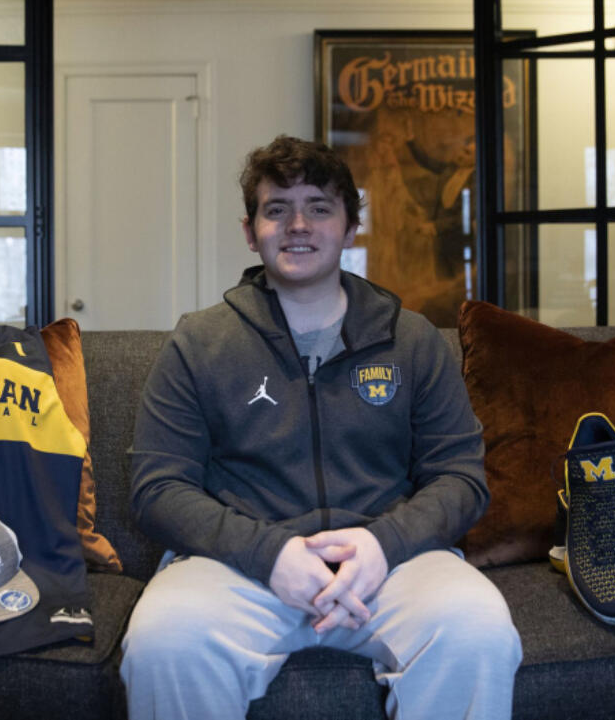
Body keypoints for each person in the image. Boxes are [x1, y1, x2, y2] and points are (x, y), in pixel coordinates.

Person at [121, 135, 522, 719]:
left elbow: (461, 479)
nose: (298, 225)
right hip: (241, 568)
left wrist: (383, 545)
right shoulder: (198, 342)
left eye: (319, 207)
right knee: (165, 639)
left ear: (351, 227)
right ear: (249, 229)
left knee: (477, 628)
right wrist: (268, 554)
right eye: (277, 209)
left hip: (391, 563)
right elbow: (156, 488)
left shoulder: (411, 339)